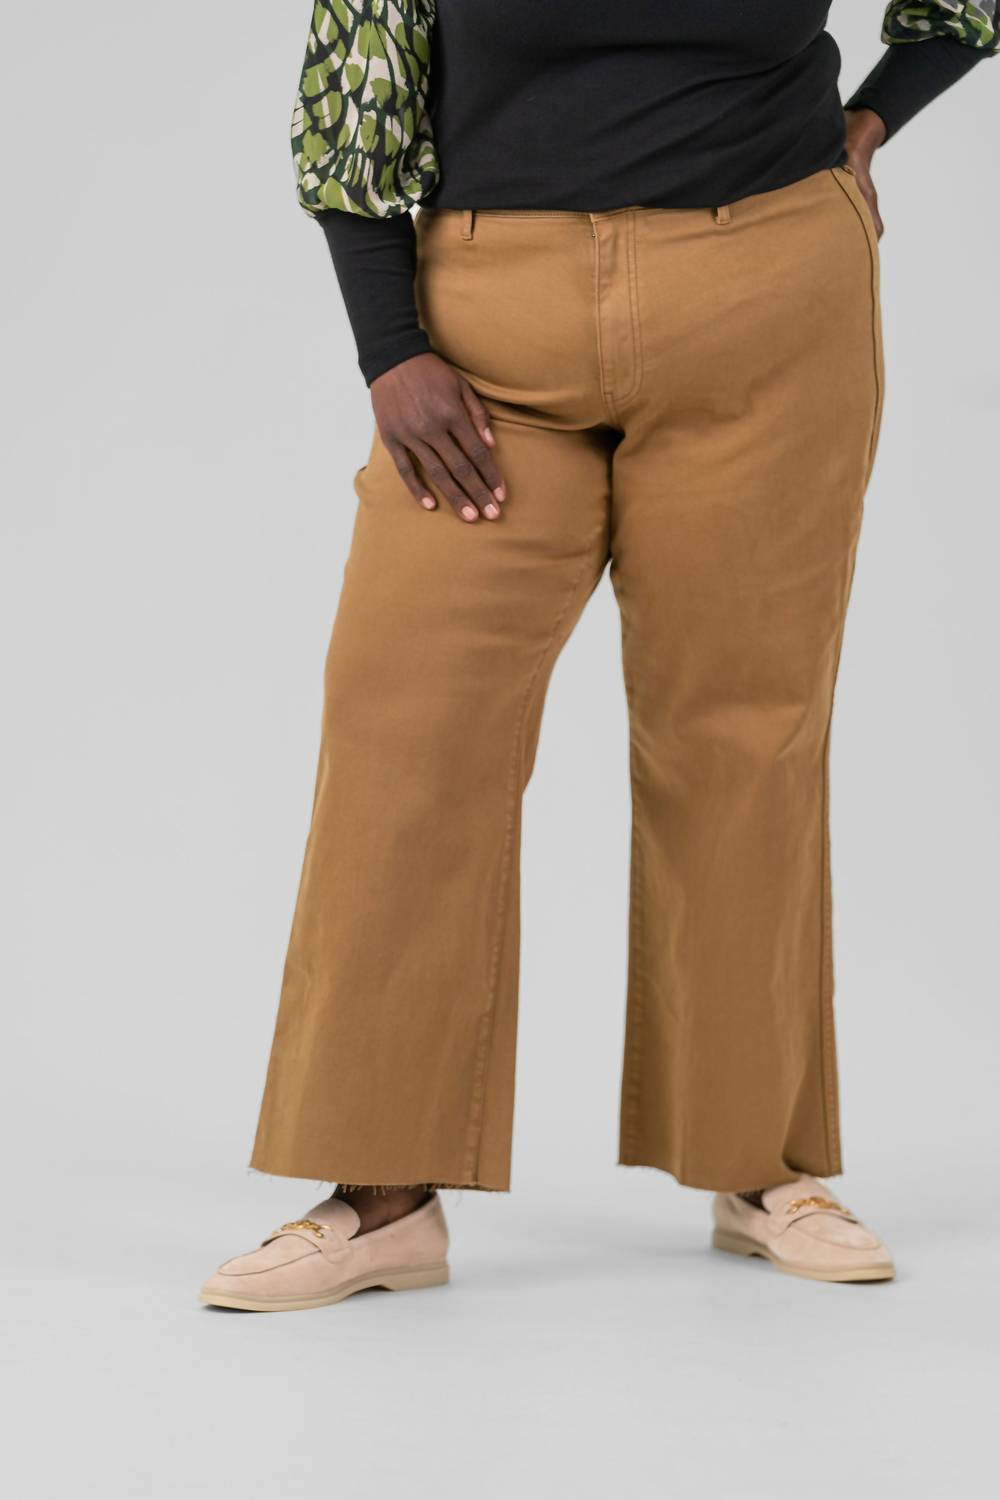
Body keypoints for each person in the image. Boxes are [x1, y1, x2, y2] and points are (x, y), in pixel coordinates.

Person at [200, 1, 994, 1309]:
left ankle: (762, 1167)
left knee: (743, 735)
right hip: (484, 338)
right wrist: (389, 349)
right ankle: (381, 1198)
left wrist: (874, 119)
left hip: (769, 307)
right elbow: (355, 84)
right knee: (407, 731)